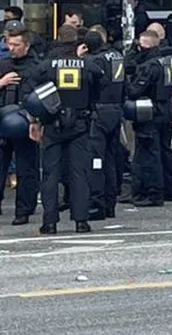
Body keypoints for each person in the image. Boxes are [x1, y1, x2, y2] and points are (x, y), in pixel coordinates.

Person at [36, 25, 104, 234]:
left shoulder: (46, 65)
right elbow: (99, 86)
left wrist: (37, 120)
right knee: (79, 173)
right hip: (80, 123)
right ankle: (81, 221)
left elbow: (34, 91)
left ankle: (49, 223)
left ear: (58, 38)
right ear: (77, 41)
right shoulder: (88, 65)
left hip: (52, 124)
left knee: (50, 174)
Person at [0, 22, 45, 224]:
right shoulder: (3, 65)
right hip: (2, 120)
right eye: (9, 44)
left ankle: (24, 210)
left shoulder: (37, 68)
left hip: (27, 123)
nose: (11, 48)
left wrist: (38, 122)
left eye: (16, 45)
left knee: (27, 169)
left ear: (26, 45)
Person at [124, 29, 168, 207]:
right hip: (162, 110)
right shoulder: (163, 61)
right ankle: (145, 191)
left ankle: (152, 193)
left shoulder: (149, 66)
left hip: (149, 113)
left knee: (149, 155)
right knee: (152, 153)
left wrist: (125, 82)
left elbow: (134, 90)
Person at [85, 28, 124, 220]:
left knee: (96, 160)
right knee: (110, 159)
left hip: (99, 112)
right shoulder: (117, 55)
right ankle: (110, 204)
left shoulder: (94, 61)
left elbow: (89, 85)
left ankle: (96, 204)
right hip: (115, 110)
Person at [148, 23, 172, 202]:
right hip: (166, 104)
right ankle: (171, 188)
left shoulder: (155, 59)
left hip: (155, 105)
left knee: (154, 148)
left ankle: (157, 189)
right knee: (166, 147)